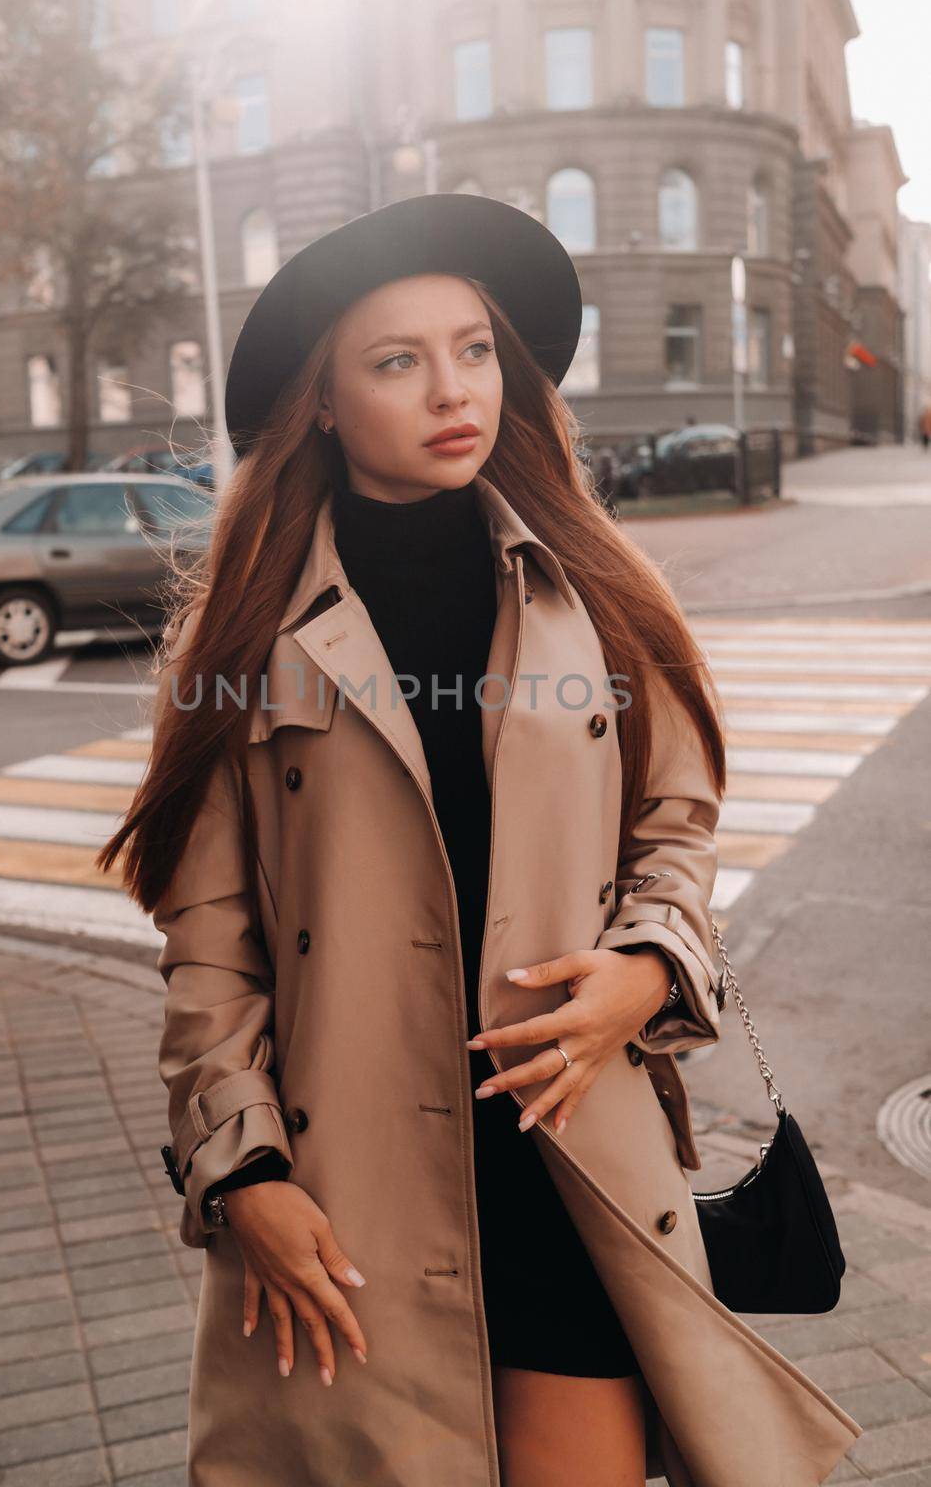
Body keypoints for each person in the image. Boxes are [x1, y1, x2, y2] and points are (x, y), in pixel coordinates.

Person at [98, 194, 862, 1487]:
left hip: (571, 1162)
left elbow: (677, 824)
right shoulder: (242, 643)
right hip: (351, 1202)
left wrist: (646, 971)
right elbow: (209, 955)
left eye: (474, 349)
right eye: (398, 361)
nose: (454, 390)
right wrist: (242, 1177)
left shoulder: (597, 589)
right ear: (325, 404)